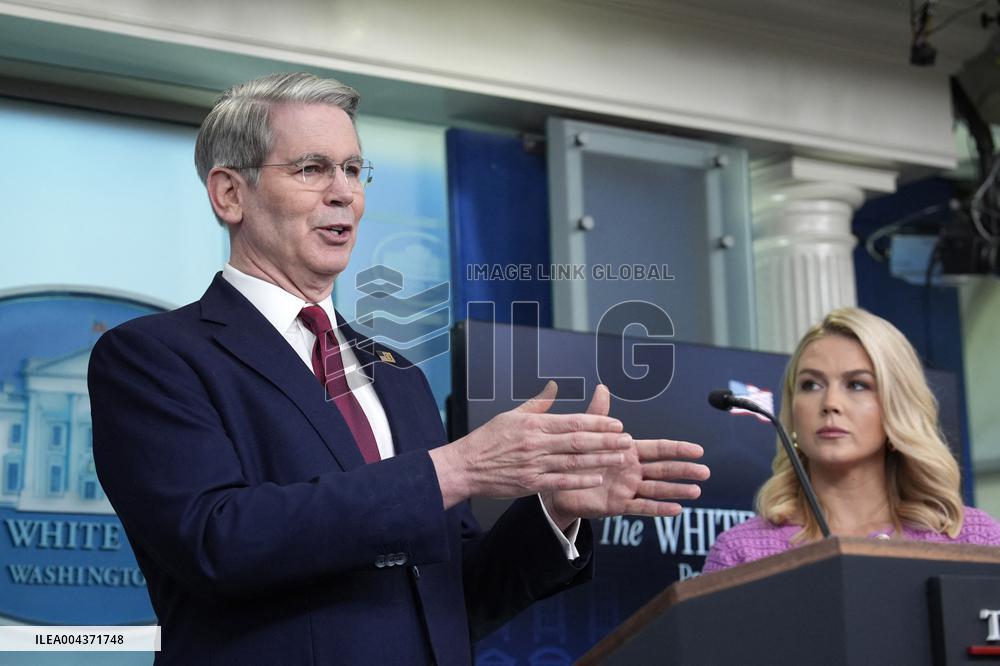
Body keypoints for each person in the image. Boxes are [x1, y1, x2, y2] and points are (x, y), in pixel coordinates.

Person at [87, 72, 710, 664]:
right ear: (230, 194)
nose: (344, 192)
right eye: (312, 168)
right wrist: (454, 469)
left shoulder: (397, 375)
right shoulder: (154, 358)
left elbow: (453, 598)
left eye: (354, 169)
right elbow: (214, 542)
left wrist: (555, 511)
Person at [703, 307, 1000, 573]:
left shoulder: (973, 539)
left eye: (857, 384)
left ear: (897, 407)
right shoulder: (741, 553)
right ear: (792, 412)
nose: (830, 403)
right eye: (811, 385)